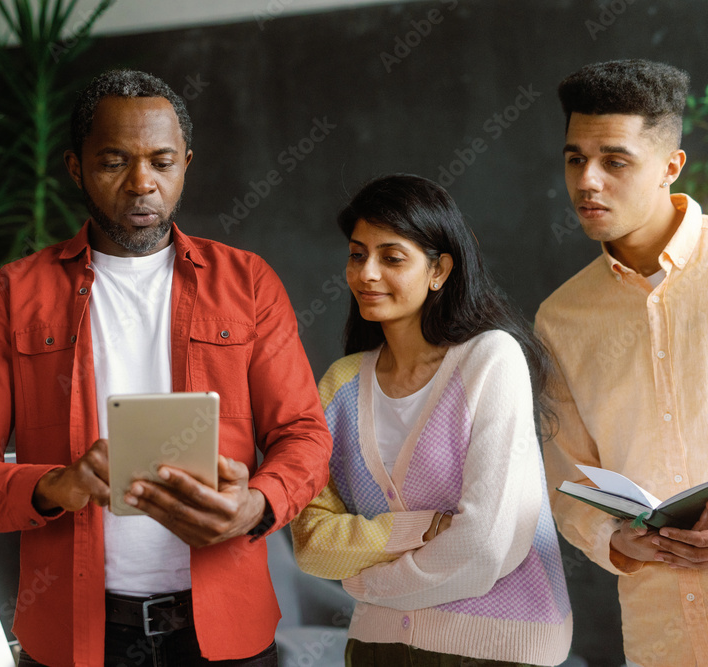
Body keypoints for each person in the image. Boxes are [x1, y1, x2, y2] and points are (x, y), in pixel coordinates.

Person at [0, 69, 333, 666]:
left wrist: (257, 504)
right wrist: (52, 485)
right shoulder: (15, 293)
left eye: (162, 162)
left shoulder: (248, 283)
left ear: (186, 164)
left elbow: (306, 436)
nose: (142, 183)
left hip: (226, 637)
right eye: (115, 161)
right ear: (75, 167)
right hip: (76, 639)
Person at [292, 174, 573, 666]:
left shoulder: (490, 360)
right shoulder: (341, 383)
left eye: (391, 257)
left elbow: (485, 548)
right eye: (357, 255)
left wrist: (367, 582)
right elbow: (312, 543)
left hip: (495, 648)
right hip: (378, 648)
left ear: (440, 269)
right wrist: (416, 529)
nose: (367, 274)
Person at [537, 59, 708, 667]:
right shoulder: (561, 319)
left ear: (670, 166)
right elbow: (570, 476)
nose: (588, 181)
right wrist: (619, 541)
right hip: (657, 630)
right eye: (574, 158)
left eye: (614, 160)